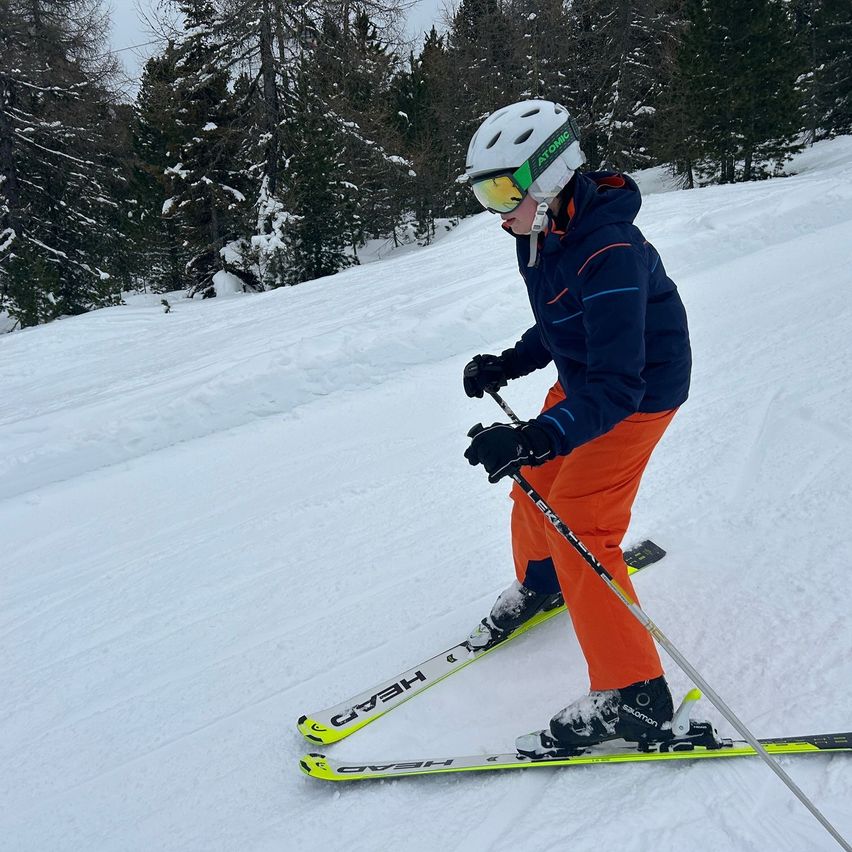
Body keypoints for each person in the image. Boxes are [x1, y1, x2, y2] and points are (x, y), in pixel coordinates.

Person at [460, 99, 692, 758]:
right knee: (535, 482)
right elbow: (564, 321)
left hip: (638, 389)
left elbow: (619, 386)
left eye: (502, 188)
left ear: (550, 175)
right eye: (483, 191)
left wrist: (538, 432)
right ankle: (544, 582)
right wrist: (511, 362)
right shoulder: (540, 234)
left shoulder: (610, 248)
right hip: (589, 373)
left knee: (582, 519)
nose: (494, 208)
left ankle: (635, 695)